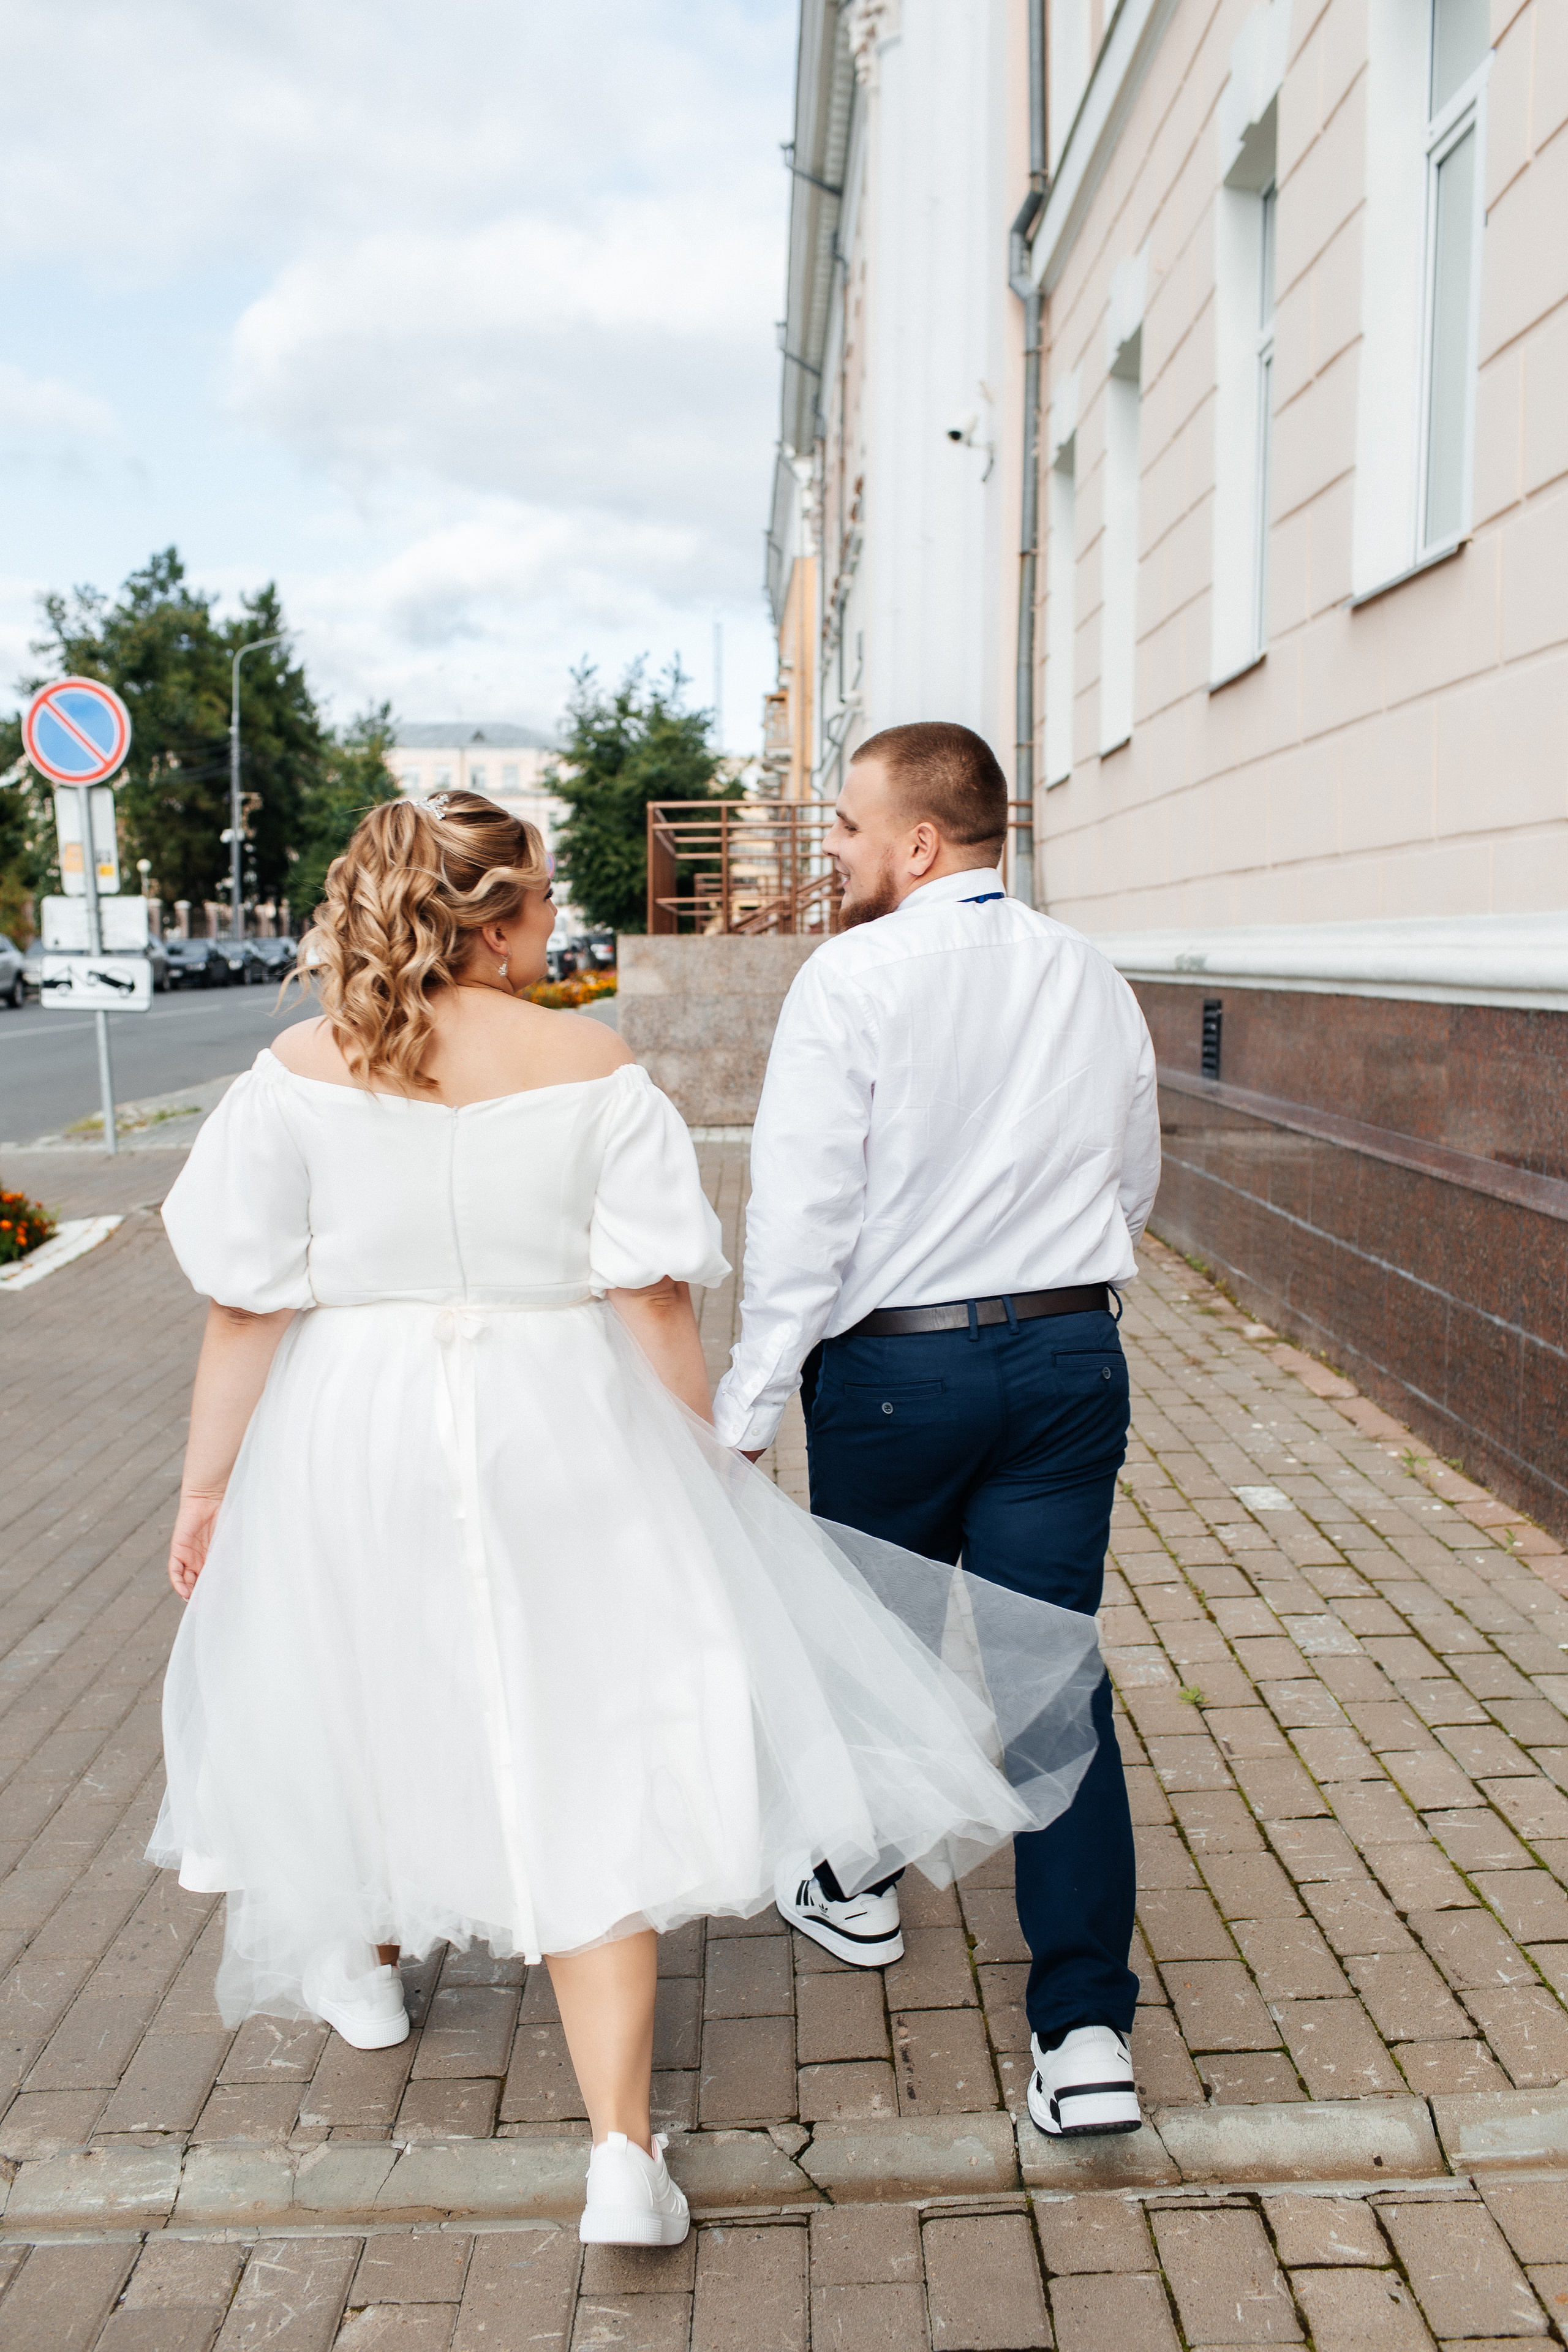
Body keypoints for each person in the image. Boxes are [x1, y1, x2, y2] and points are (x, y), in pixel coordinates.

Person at [151, 789, 1103, 2245]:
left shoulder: (294, 1069)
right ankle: (616, 2155)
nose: (552, 930)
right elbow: (652, 1291)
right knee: (590, 1734)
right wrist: (698, 1454)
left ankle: (362, 1957)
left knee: (373, 1680)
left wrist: (208, 1485)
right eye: (541, 905)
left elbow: (242, 1303)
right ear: (499, 917)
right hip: (557, 1419)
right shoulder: (591, 1065)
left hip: (353, 1423)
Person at [714, 722, 1160, 2140]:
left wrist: (749, 1402)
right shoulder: (1086, 972)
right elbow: (1131, 1172)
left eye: (845, 829)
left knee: (872, 1649)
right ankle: (1084, 2035)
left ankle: (854, 1888)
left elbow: (801, 1219)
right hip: (1068, 1350)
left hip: (896, 1376)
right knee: (1049, 1679)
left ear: (917, 842)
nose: (833, 852)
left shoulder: (846, 979)